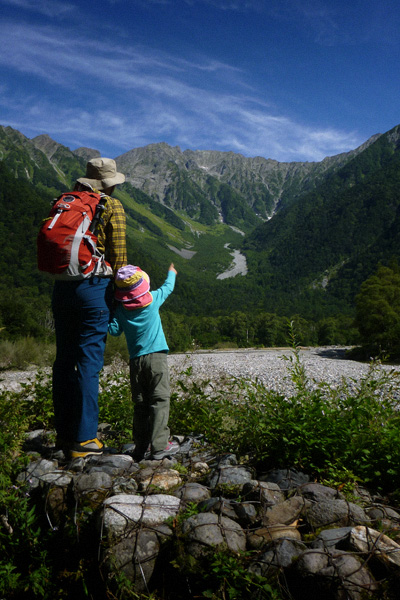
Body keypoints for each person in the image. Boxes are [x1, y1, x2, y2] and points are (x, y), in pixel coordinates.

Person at [52, 157, 127, 459]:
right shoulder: (110, 205)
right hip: (93, 290)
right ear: (109, 183)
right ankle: (84, 441)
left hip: (62, 289)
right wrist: (123, 296)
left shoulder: (65, 201)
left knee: (64, 360)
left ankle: (64, 434)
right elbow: (119, 256)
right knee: (88, 363)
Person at [108, 263, 179, 461]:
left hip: (135, 361)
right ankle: (159, 447)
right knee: (160, 400)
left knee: (140, 404)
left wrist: (112, 309)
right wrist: (171, 272)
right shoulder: (154, 299)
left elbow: (114, 331)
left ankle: (140, 447)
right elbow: (168, 287)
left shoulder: (121, 311)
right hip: (157, 358)